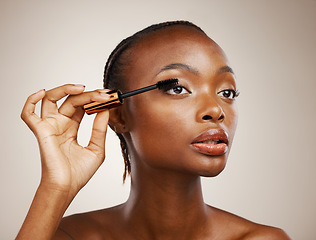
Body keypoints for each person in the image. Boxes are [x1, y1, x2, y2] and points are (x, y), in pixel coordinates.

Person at [16, 21, 291, 240]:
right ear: (119, 114)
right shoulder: (71, 236)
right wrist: (55, 188)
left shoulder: (263, 238)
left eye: (226, 91)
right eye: (177, 88)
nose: (216, 110)